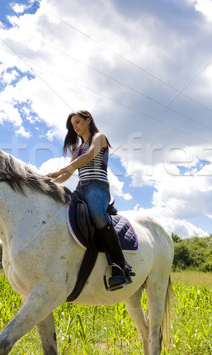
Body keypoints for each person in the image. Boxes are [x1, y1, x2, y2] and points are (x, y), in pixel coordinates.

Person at [47, 110, 132, 291]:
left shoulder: (99, 137)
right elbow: (68, 174)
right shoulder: (77, 149)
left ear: (88, 120)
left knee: (97, 214)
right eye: (72, 125)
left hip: (97, 187)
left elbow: (89, 156)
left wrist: (60, 170)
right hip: (81, 188)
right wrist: (48, 183)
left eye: (78, 122)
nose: (75, 127)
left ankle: (120, 266)